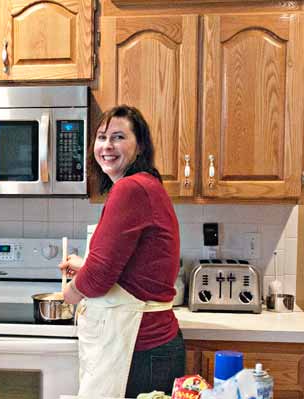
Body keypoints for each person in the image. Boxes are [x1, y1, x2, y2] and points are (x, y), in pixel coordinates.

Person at [59, 105, 184, 398]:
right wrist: (86, 266)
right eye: (101, 137)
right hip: (150, 347)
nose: (106, 146)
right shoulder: (146, 186)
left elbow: (100, 276)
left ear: (139, 146)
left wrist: (69, 294)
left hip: (138, 349)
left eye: (118, 137)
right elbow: (121, 265)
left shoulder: (130, 189)